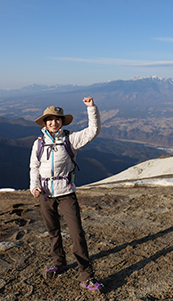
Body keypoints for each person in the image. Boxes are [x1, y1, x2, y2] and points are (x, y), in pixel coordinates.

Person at [29, 96, 104, 292]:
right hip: (45, 194)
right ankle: (59, 262)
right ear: (45, 122)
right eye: (50, 120)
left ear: (62, 122)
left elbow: (93, 131)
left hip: (66, 193)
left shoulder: (70, 140)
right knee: (53, 231)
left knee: (76, 234)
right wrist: (34, 187)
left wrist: (91, 108)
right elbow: (33, 167)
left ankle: (87, 276)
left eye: (58, 119)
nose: (54, 123)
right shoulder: (38, 144)